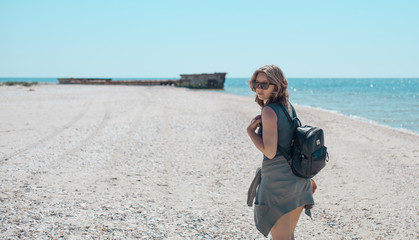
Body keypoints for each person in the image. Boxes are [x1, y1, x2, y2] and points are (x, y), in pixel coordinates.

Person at [247, 65, 314, 239]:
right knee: (288, 236)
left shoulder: (269, 111)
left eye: (264, 84)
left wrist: (250, 132)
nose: (258, 89)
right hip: (298, 179)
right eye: (256, 83)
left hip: (279, 184)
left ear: (276, 86)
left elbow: (269, 152)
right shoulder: (287, 106)